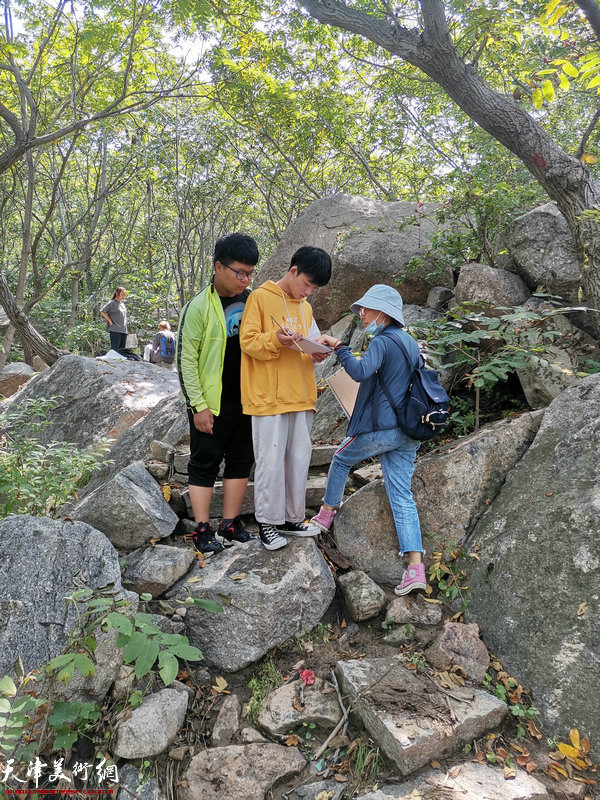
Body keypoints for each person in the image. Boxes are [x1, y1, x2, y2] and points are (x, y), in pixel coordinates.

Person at [311, 284, 426, 597]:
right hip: (408, 431)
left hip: (383, 429)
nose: (361, 313)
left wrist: (339, 345)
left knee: (340, 458)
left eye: (366, 308)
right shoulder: (409, 342)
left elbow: (360, 372)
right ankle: (416, 568)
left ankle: (326, 514)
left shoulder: (383, 340)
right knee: (401, 495)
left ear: (384, 313)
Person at [239, 246, 332, 551]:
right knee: (270, 461)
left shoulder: (305, 308)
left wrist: (318, 352)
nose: (309, 291)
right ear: (293, 271)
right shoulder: (260, 298)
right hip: (268, 396)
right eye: (307, 283)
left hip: (301, 394)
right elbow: (248, 342)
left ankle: (292, 519)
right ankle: (267, 522)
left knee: (298, 459)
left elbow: (311, 345)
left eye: (314, 288)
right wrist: (275, 340)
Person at [177, 233, 259, 555]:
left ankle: (229, 524)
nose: (245, 279)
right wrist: (197, 406)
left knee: (241, 461)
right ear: (218, 267)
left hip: (247, 399)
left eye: (250, 273)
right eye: (239, 272)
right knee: (205, 462)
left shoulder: (252, 302)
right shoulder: (198, 306)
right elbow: (184, 361)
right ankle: (201, 529)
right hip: (210, 402)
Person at [100, 287, 129, 354]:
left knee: (122, 349)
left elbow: (124, 317)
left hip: (123, 330)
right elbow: (102, 311)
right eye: (122, 295)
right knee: (115, 349)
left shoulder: (122, 304)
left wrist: (126, 329)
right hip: (115, 329)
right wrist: (109, 320)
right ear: (117, 293)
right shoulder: (112, 303)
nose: (123, 297)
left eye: (124, 295)